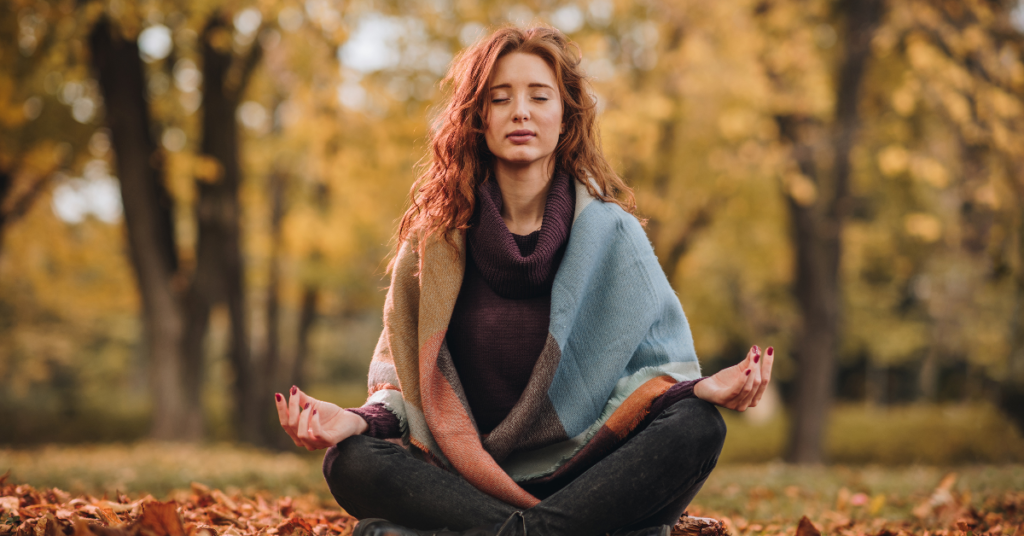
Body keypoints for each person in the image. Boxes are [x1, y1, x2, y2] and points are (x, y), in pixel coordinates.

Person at [275, 25, 774, 536]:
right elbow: (402, 389)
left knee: (698, 427)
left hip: (591, 478)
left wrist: (701, 389)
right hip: (465, 482)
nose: (521, 112)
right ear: (478, 119)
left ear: (564, 118)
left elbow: (649, 381)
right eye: (501, 98)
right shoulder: (434, 244)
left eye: (539, 96)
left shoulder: (613, 234)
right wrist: (358, 421)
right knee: (350, 460)